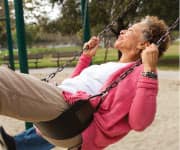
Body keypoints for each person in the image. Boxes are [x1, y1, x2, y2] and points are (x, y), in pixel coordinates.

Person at [0, 16, 170, 150]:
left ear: (143, 44)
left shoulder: (140, 73)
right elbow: (73, 86)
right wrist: (85, 58)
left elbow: (139, 123)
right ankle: (19, 145)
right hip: (61, 103)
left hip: (71, 119)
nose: (123, 30)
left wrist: (149, 70)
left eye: (131, 29)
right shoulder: (111, 66)